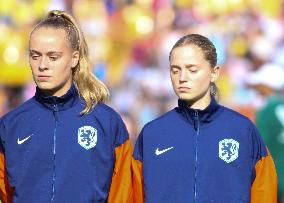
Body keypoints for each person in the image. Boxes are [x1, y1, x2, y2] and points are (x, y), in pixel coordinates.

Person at [0, 10, 133, 203]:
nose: (42, 65)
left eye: (53, 57)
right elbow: (7, 194)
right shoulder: (10, 125)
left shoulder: (107, 122)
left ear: (74, 58)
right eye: (35, 56)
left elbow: (124, 194)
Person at [132, 34, 277, 203]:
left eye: (192, 70)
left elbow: (264, 193)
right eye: (175, 70)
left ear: (214, 73)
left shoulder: (243, 131)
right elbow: (134, 195)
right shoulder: (152, 134)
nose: (182, 78)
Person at [246, 63, 284, 203]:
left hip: (274, 180)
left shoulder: (265, 111)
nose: (257, 89)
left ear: (268, 86)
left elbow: (258, 148)